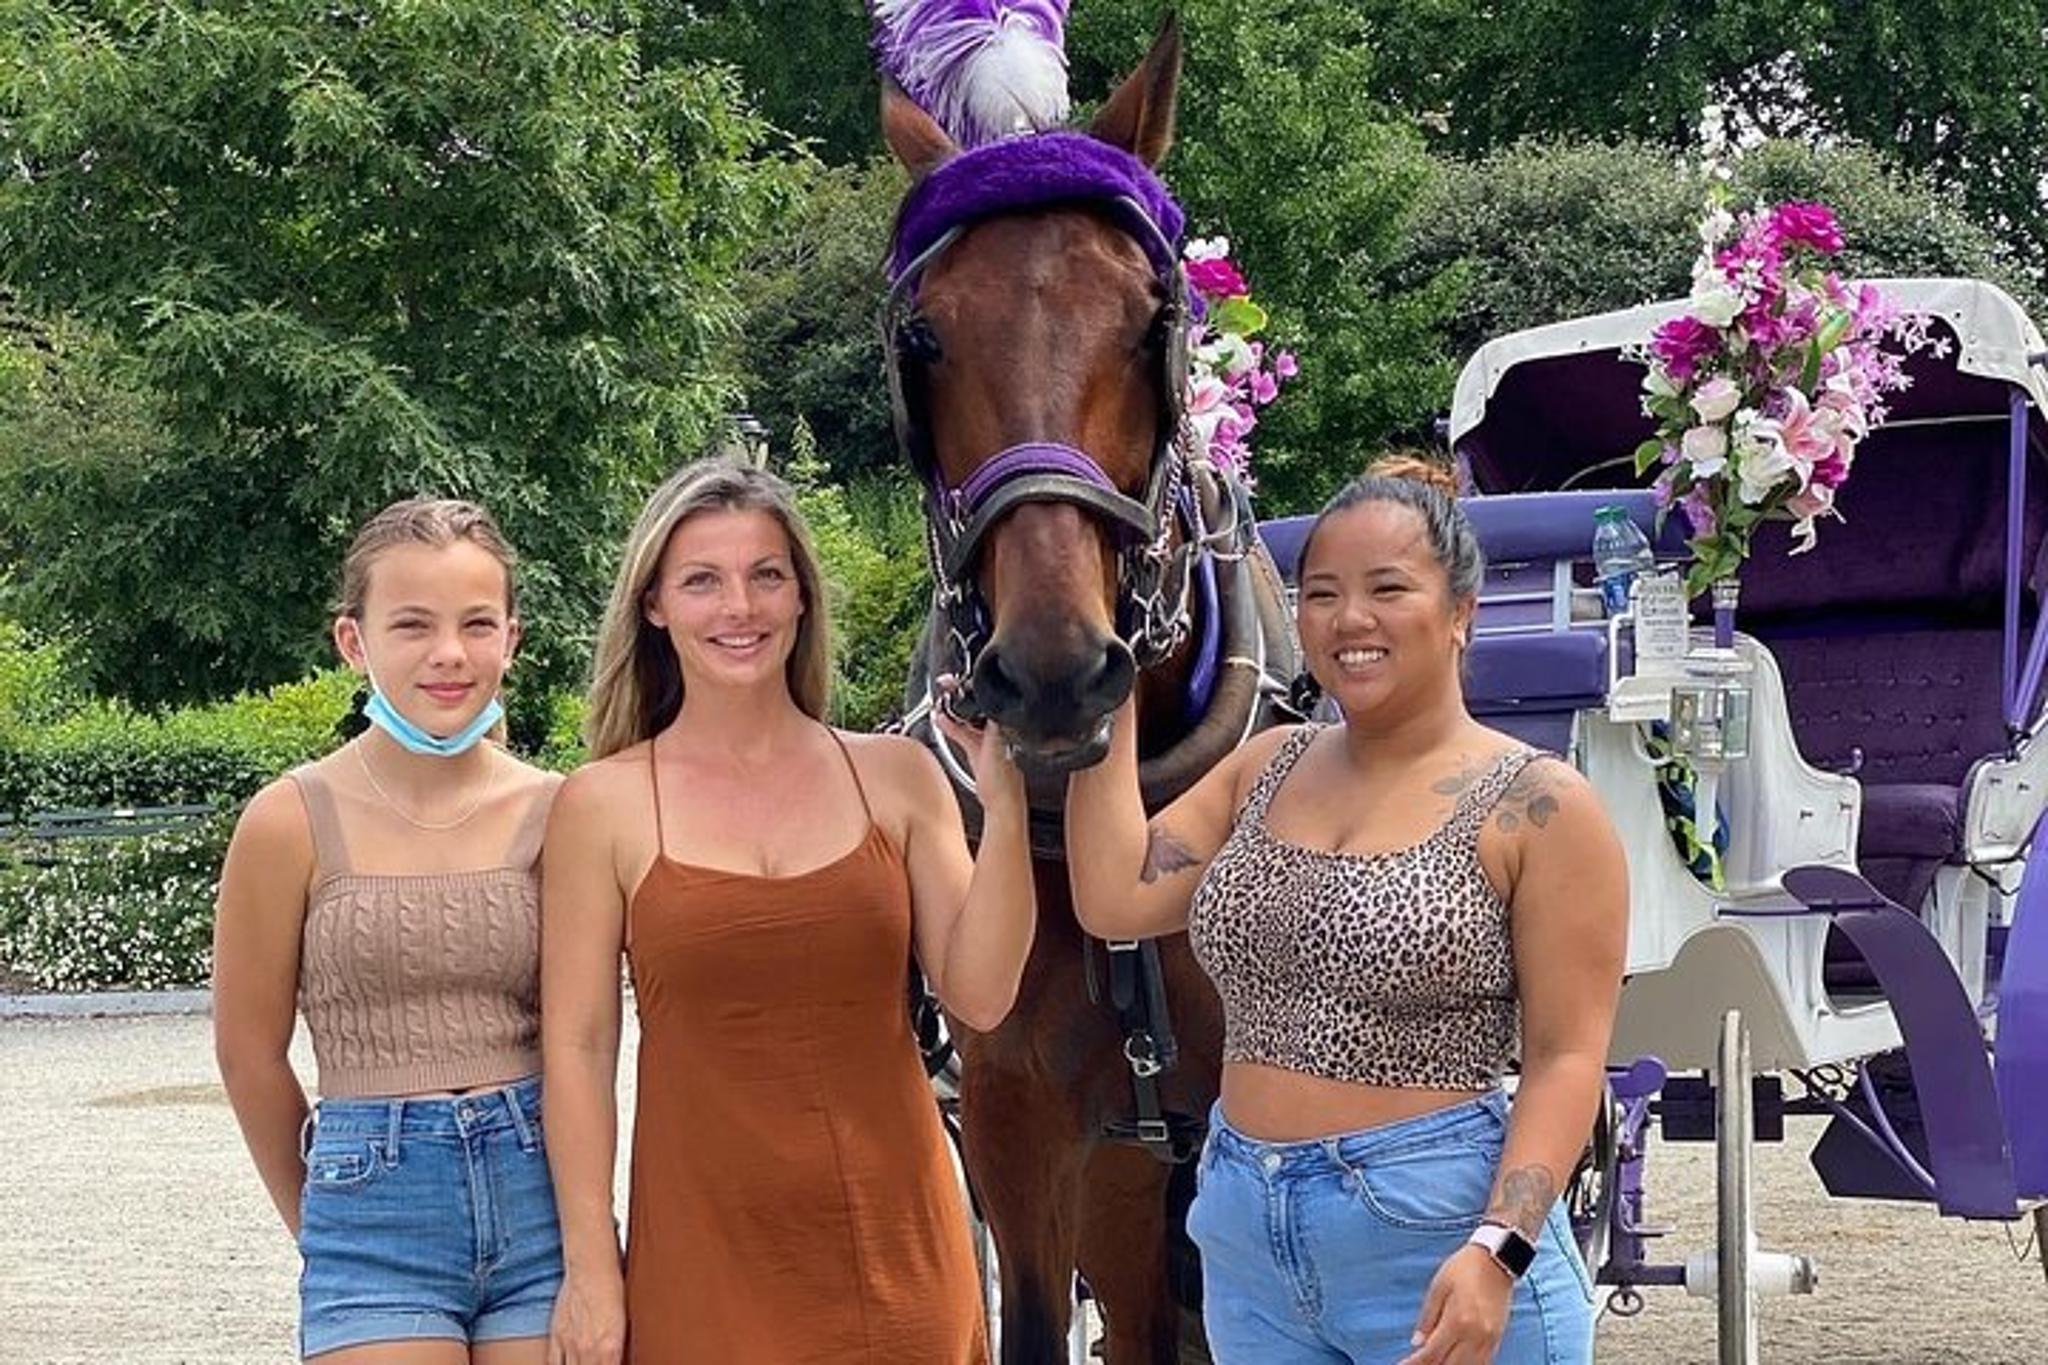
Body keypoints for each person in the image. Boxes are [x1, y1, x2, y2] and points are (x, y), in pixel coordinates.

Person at [1065, 456, 1627, 1364]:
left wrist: (1500, 1249)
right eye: (1320, 593)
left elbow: (1568, 1054)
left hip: (1437, 1233)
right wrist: (1102, 693)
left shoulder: (1539, 805)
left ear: (1460, 613)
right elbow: (1113, 895)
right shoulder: (1268, 765)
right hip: (1248, 1235)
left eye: (1388, 588)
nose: (1349, 619)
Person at [541, 458, 1035, 1364]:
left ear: (802, 597)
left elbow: (984, 994)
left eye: (767, 574)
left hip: (898, 1247)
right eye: (703, 580)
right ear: (653, 605)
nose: (741, 606)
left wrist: (1005, 812)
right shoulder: (600, 804)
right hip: (702, 1253)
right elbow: (576, 1048)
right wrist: (589, 1266)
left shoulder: (895, 776)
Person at [213, 499, 565, 1363]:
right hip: (372, 1220)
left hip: (542, 1203)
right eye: (412, 624)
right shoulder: (288, 820)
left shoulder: (563, 813)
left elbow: (586, 1038)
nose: (449, 653)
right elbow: (248, 1050)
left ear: (511, 639)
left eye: (476, 623)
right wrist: (328, 1218)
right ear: (353, 641)